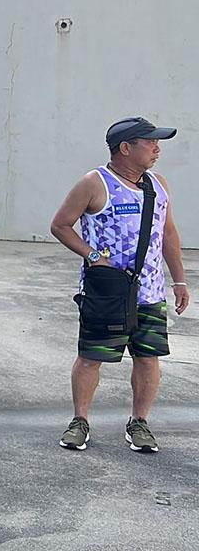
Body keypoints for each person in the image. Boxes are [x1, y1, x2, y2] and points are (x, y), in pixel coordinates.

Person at [50, 117, 189, 453]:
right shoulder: (94, 183)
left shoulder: (158, 185)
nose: (157, 148)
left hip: (150, 292)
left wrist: (179, 280)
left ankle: (139, 422)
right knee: (90, 357)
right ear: (125, 148)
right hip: (106, 293)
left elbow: (168, 234)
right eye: (150, 142)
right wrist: (92, 255)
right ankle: (80, 421)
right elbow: (61, 225)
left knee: (148, 358)